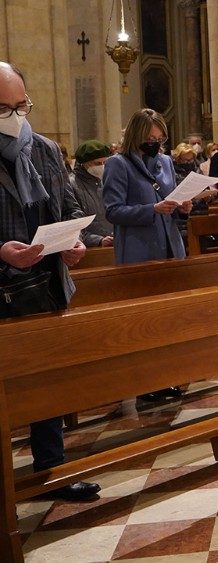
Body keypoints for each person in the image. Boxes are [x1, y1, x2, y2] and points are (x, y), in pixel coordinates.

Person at [0, 61, 100, 501]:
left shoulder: (43, 149)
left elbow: (68, 207)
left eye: (21, 105)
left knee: (48, 381)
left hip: (48, 282)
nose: (15, 116)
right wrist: (1, 250)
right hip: (3, 287)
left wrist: (74, 241)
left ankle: (51, 469)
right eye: (3, 109)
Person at [104, 109, 195, 400]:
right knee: (144, 323)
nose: (155, 143)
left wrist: (183, 207)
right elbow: (113, 211)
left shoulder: (165, 162)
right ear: (137, 135)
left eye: (159, 138)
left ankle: (167, 377)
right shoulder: (118, 164)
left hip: (169, 246)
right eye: (150, 138)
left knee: (169, 319)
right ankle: (144, 382)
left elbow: (171, 201)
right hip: (138, 249)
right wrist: (151, 210)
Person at [70, 140, 114, 247]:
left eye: (105, 163)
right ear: (84, 163)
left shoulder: (107, 180)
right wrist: (97, 240)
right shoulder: (72, 184)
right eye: (97, 163)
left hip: (113, 243)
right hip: (88, 248)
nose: (102, 166)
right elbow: (74, 222)